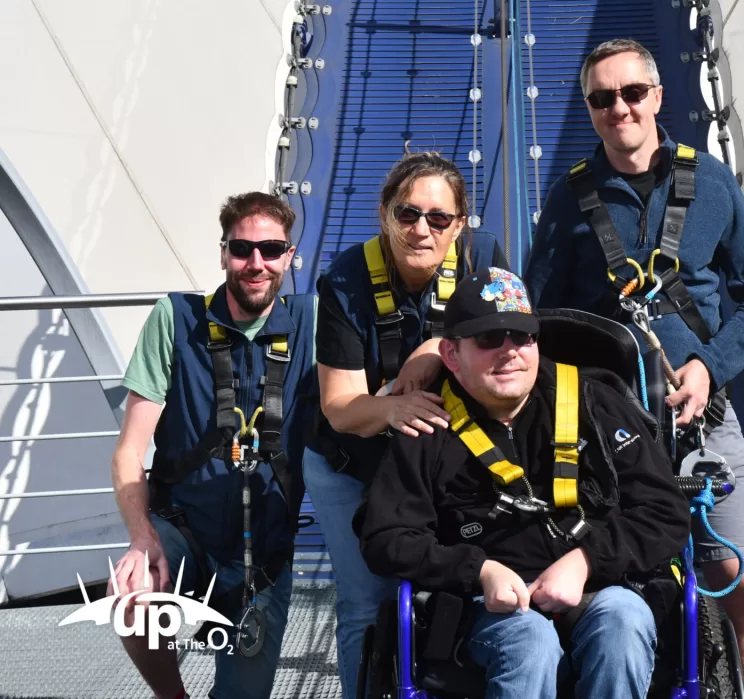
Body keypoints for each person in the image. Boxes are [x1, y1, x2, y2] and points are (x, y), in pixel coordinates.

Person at [522, 39, 744, 698]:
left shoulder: (712, 183)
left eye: (632, 93)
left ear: (658, 97)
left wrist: (708, 364)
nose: (619, 108)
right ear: (590, 110)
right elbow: (538, 319)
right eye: (602, 98)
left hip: (703, 419)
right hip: (603, 435)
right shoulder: (571, 199)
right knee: (626, 593)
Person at [359, 268, 690, 699]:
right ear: (452, 354)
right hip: (486, 609)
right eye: (489, 338)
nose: (509, 350)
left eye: (522, 335)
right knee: (530, 642)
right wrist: (479, 570)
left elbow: (665, 512)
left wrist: (585, 562)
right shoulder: (428, 427)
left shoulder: (596, 402)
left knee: (624, 622)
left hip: (602, 588)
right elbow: (385, 536)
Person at [304, 151, 509, 696]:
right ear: (384, 214)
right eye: (408, 214)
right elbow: (340, 408)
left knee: (448, 596)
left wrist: (432, 351)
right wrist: (392, 406)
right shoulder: (346, 280)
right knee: (366, 606)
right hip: (350, 461)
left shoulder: (484, 260)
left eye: (439, 218)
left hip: (439, 468)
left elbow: (515, 351)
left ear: (459, 225)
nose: (422, 229)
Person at [109, 192, 318, 699]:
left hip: (263, 557)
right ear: (223, 252)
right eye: (242, 248)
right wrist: (142, 538)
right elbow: (128, 452)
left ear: (290, 256)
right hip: (184, 532)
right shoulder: (176, 319)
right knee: (133, 603)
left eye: (271, 249)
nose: (256, 263)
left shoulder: (313, 323)